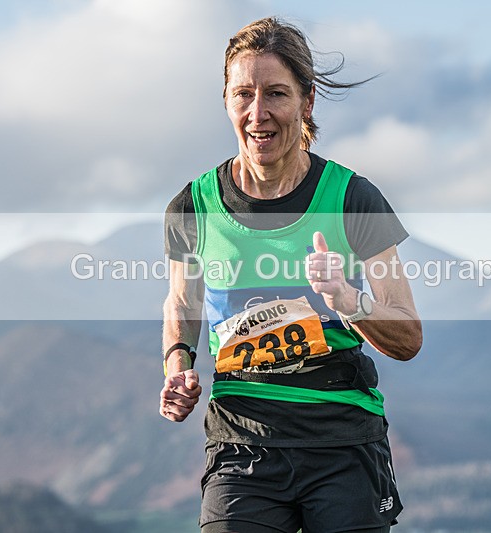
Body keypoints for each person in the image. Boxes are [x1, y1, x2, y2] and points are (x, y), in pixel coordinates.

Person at [159, 17, 422, 533]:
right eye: (243, 95)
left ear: (307, 103)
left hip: (342, 445)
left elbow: (408, 335)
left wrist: (350, 301)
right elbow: (183, 305)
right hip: (242, 445)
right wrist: (177, 364)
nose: (258, 113)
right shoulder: (192, 207)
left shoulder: (352, 200)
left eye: (276, 93)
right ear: (227, 102)